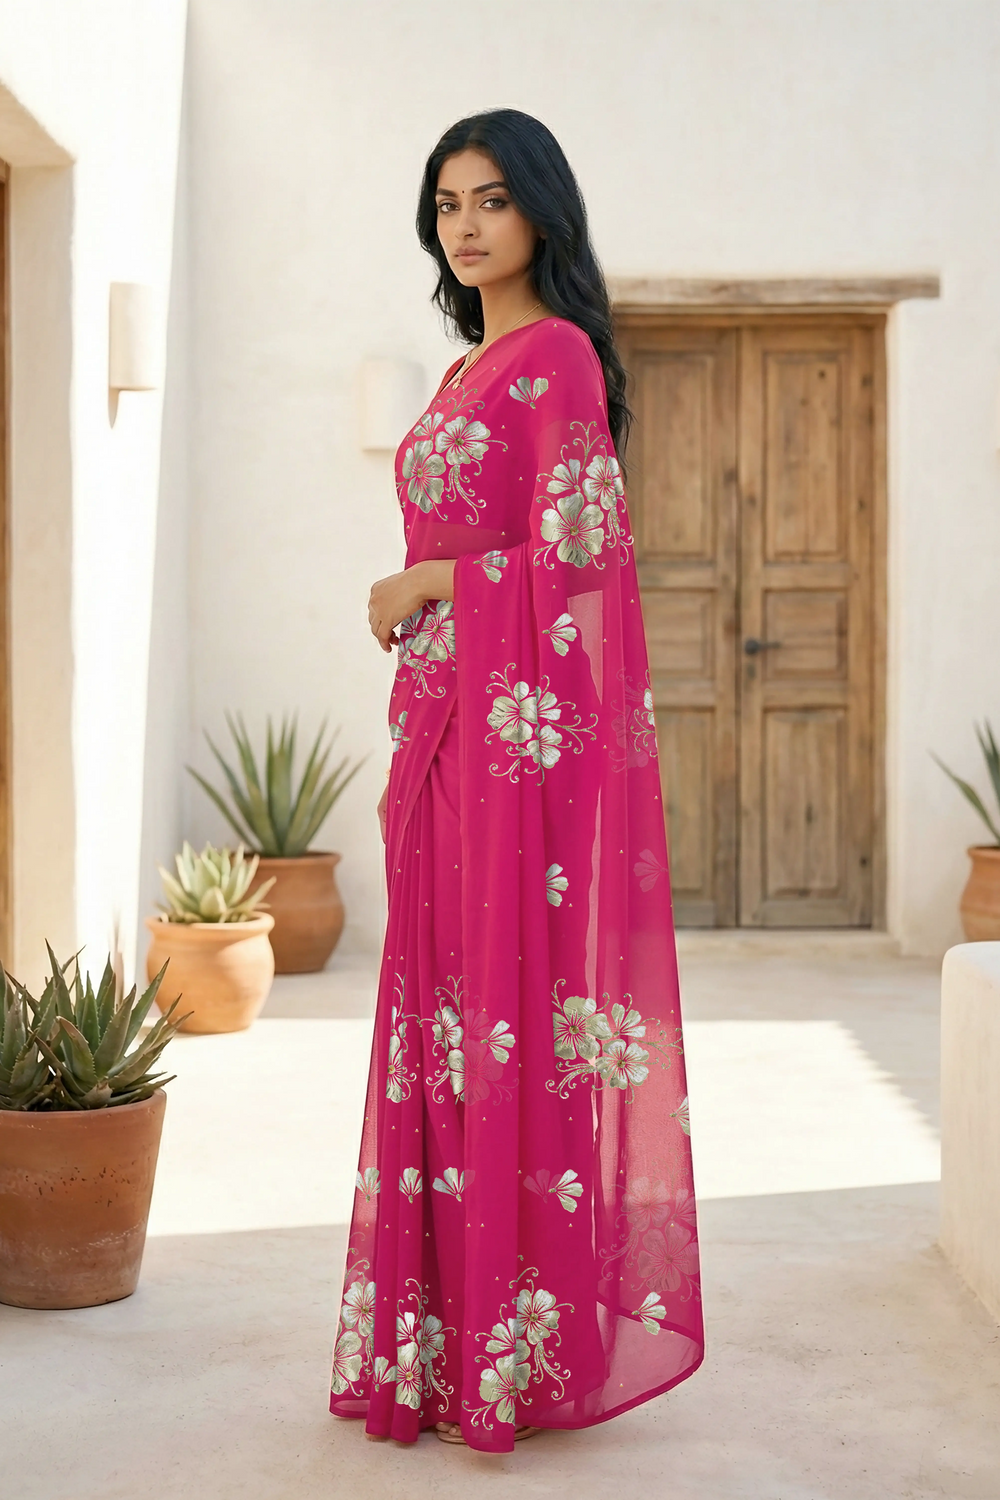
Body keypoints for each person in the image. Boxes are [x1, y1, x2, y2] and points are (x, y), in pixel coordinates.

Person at [329, 108, 703, 1453]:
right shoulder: (461, 373)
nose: (468, 225)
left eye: (492, 199)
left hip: (510, 760)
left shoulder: (553, 361)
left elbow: (582, 570)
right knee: (441, 1031)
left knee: (502, 1024)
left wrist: (432, 581)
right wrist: (423, 611)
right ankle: (436, 1347)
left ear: (541, 209)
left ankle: (516, 1353)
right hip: (435, 743)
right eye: (447, 204)